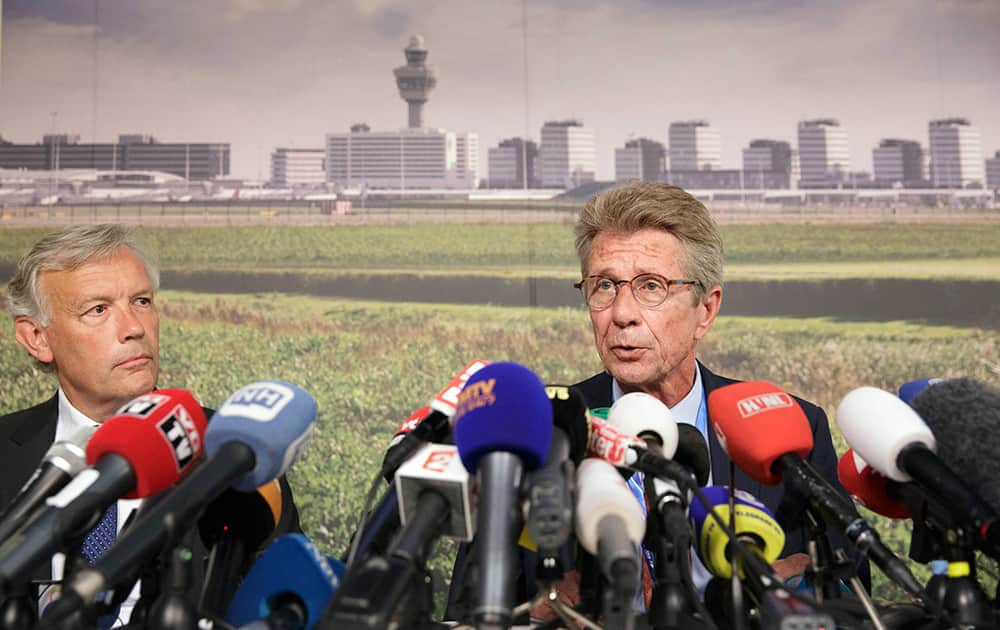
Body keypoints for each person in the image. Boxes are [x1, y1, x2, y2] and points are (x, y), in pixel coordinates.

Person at [568, 182, 861, 607]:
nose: (622, 314)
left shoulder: (795, 427)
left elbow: (856, 593)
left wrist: (803, 591)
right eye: (604, 286)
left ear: (705, 310)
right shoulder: (543, 431)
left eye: (651, 286)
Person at [0, 224, 300, 626]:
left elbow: (277, 604)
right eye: (99, 309)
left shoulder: (234, 454)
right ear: (36, 337)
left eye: (141, 301)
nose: (134, 328)